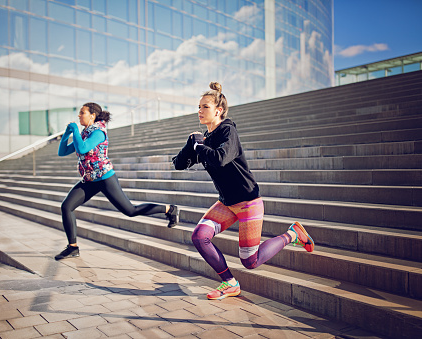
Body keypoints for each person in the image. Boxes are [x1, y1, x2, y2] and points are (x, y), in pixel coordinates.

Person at [172, 82, 314, 300]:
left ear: (218, 110)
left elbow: (220, 158)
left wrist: (199, 147)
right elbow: (179, 164)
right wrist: (191, 143)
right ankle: (230, 283)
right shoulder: (204, 139)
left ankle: (292, 234)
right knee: (200, 237)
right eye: (198, 107)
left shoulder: (228, 131)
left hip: (248, 202)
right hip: (227, 203)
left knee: (251, 261)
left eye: (204, 107)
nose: (199, 111)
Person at [55, 102, 179, 260]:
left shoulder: (99, 132)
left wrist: (74, 130)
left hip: (105, 178)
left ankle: (170, 209)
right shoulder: (85, 133)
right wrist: (67, 133)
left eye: (82, 113)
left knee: (130, 211)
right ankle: (72, 247)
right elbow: (62, 151)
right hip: (90, 180)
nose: (79, 115)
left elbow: (83, 149)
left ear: (92, 115)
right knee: (67, 206)